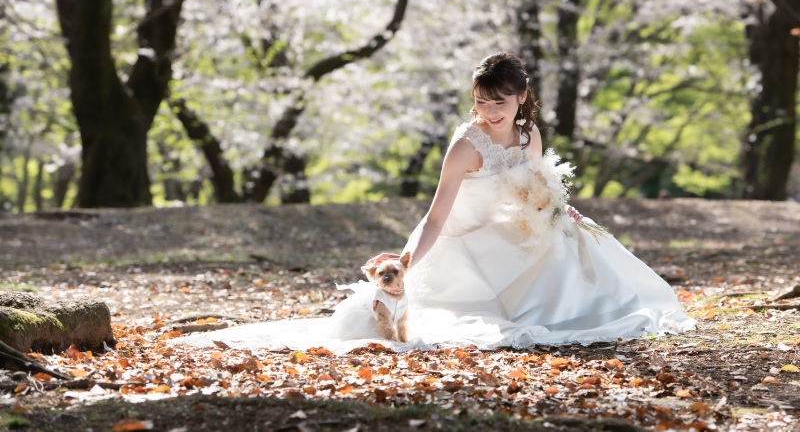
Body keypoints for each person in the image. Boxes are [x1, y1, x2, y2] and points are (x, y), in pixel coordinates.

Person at [177, 53, 694, 353]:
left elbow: (535, 185)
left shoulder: (530, 134)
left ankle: (592, 307)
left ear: (521, 100)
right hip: (468, 241)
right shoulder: (467, 145)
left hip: (519, 227)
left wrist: (558, 209)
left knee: (576, 240)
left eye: (501, 102)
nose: (491, 112)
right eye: (482, 102)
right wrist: (405, 263)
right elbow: (438, 212)